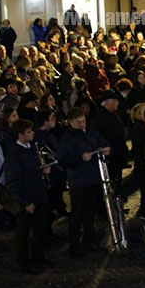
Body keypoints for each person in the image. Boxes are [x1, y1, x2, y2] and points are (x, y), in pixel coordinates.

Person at [57, 108, 109, 257]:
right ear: (70, 122)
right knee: (77, 214)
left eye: (83, 121)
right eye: (78, 122)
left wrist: (106, 149)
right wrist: (80, 159)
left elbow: (103, 142)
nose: (81, 124)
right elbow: (63, 161)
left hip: (93, 178)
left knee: (90, 213)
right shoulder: (67, 139)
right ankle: (75, 245)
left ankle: (89, 240)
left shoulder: (91, 133)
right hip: (79, 181)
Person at [3, 120, 54, 274]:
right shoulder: (14, 154)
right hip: (28, 199)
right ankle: (25, 263)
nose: (32, 134)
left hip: (39, 195)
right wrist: (25, 202)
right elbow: (13, 182)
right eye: (29, 132)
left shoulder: (32, 148)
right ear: (20, 135)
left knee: (40, 230)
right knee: (24, 232)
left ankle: (39, 258)